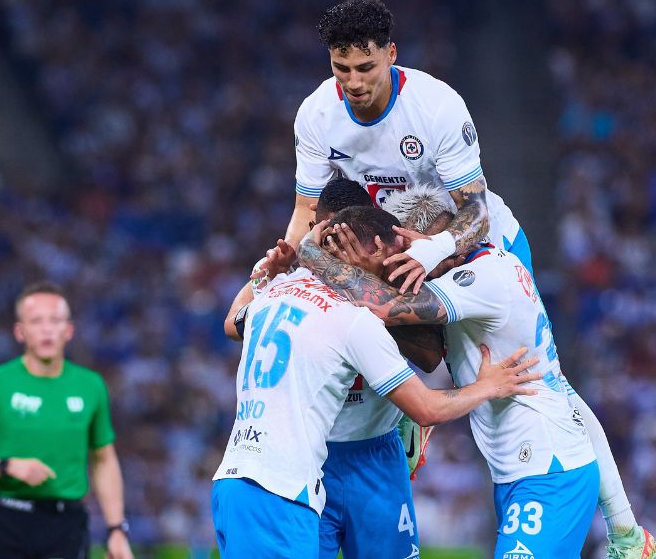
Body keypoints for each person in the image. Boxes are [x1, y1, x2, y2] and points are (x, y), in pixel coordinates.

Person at [299, 190, 656, 558]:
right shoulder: (466, 279)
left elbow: (383, 306)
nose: (397, 273)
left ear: (423, 245)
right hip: (518, 474)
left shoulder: (482, 278)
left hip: (549, 471)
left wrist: (311, 254)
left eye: (401, 261)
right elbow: (424, 351)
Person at [212, 206, 540, 558]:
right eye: (398, 254)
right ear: (377, 250)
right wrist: (487, 386)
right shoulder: (355, 320)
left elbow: (233, 321)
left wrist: (265, 272)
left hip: (236, 479)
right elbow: (427, 408)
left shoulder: (278, 291)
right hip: (280, 492)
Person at [223, 180, 443, 558]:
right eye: (323, 232)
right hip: (311, 460)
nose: (328, 248)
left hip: (374, 451)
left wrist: (363, 292)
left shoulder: (386, 275)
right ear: (313, 227)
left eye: (341, 236)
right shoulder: (291, 273)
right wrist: (267, 274)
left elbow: (430, 356)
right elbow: (232, 325)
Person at [279, 0, 533, 296]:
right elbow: (304, 210)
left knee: (507, 345)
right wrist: (284, 272)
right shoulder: (316, 113)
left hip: (478, 252)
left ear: (391, 54)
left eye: (366, 67)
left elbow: (477, 212)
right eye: (341, 68)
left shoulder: (436, 106)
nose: (354, 82)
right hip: (394, 259)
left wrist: (432, 251)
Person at [0, 282, 134, 559]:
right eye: (36, 321)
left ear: (68, 330)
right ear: (19, 331)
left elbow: (103, 459)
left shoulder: (90, 385)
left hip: (67, 525)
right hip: (7, 520)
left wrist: (116, 529)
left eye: (55, 320)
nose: (47, 329)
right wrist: (7, 466)